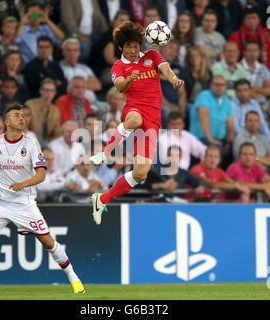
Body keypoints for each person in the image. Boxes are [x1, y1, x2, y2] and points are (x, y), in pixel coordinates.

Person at [0, 104, 85, 294]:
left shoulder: (31, 144)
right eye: (17, 115)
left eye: (23, 115)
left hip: (23, 203)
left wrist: (24, 183)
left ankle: (73, 277)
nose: (22, 118)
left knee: (48, 242)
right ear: (7, 122)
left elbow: (41, 174)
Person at [89, 20, 184, 224]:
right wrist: (130, 79)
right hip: (134, 108)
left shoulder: (151, 56)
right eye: (129, 46)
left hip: (154, 119)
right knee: (134, 119)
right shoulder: (118, 66)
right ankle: (104, 153)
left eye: (136, 45)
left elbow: (165, 68)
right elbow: (120, 86)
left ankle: (102, 199)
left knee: (141, 173)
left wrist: (174, 79)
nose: (133, 50)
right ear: (121, 47)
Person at [189, 75, 234, 164]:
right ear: (211, 85)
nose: (219, 87)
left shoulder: (226, 99)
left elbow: (230, 123)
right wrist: (210, 139)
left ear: (226, 87)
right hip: (202, 138)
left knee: (237, 147)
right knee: (216, 151)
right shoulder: (205, 95)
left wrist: (229, 142)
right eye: (216, 84)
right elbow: (203, 116)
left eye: (222, 85)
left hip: (220, 139)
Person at [16, 1, 64, 66]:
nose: (35, 16)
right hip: (30, 67)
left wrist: (47, 20)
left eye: (37, 13)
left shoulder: (46, 28)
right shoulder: (21, 30)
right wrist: (22, 23)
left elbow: (61, 37)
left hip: (48, 65)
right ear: (26, 15)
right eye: (32, 13)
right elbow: (16, 40)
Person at [59, 38, 102, 104]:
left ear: (79, 52)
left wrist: (75, 85)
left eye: (75, 50)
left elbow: (98, 86)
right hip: (73, 103)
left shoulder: (85, 68)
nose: (72, 53)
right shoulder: (58, 68)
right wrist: (87, 82)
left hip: (93, 102)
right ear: (63, 52)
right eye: (69, 50)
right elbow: (64, 86)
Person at [23, 35, 67, 100]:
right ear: (37, 48)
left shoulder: (55, 66)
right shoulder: (30, 67)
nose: (44, 50)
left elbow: (64, 84)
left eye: (47, 47)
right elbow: (33, 89)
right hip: (37, 101)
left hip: (57, 100)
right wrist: (56, 82)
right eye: (41, 47)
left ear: (51, 49)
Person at [159, 40, 188, 125]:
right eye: (170, 48)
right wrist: (173, 109)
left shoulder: (178, 69)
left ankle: (189, 137)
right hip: (160, 103)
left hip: (176, 104)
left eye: (175, 50)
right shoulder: (153, 66)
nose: (173, 52)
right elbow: (156, 94)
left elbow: (182, 93)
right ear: (161, 48)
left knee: (192, 109)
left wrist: (182, 110)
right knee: (168, 113)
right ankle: (168, 138)